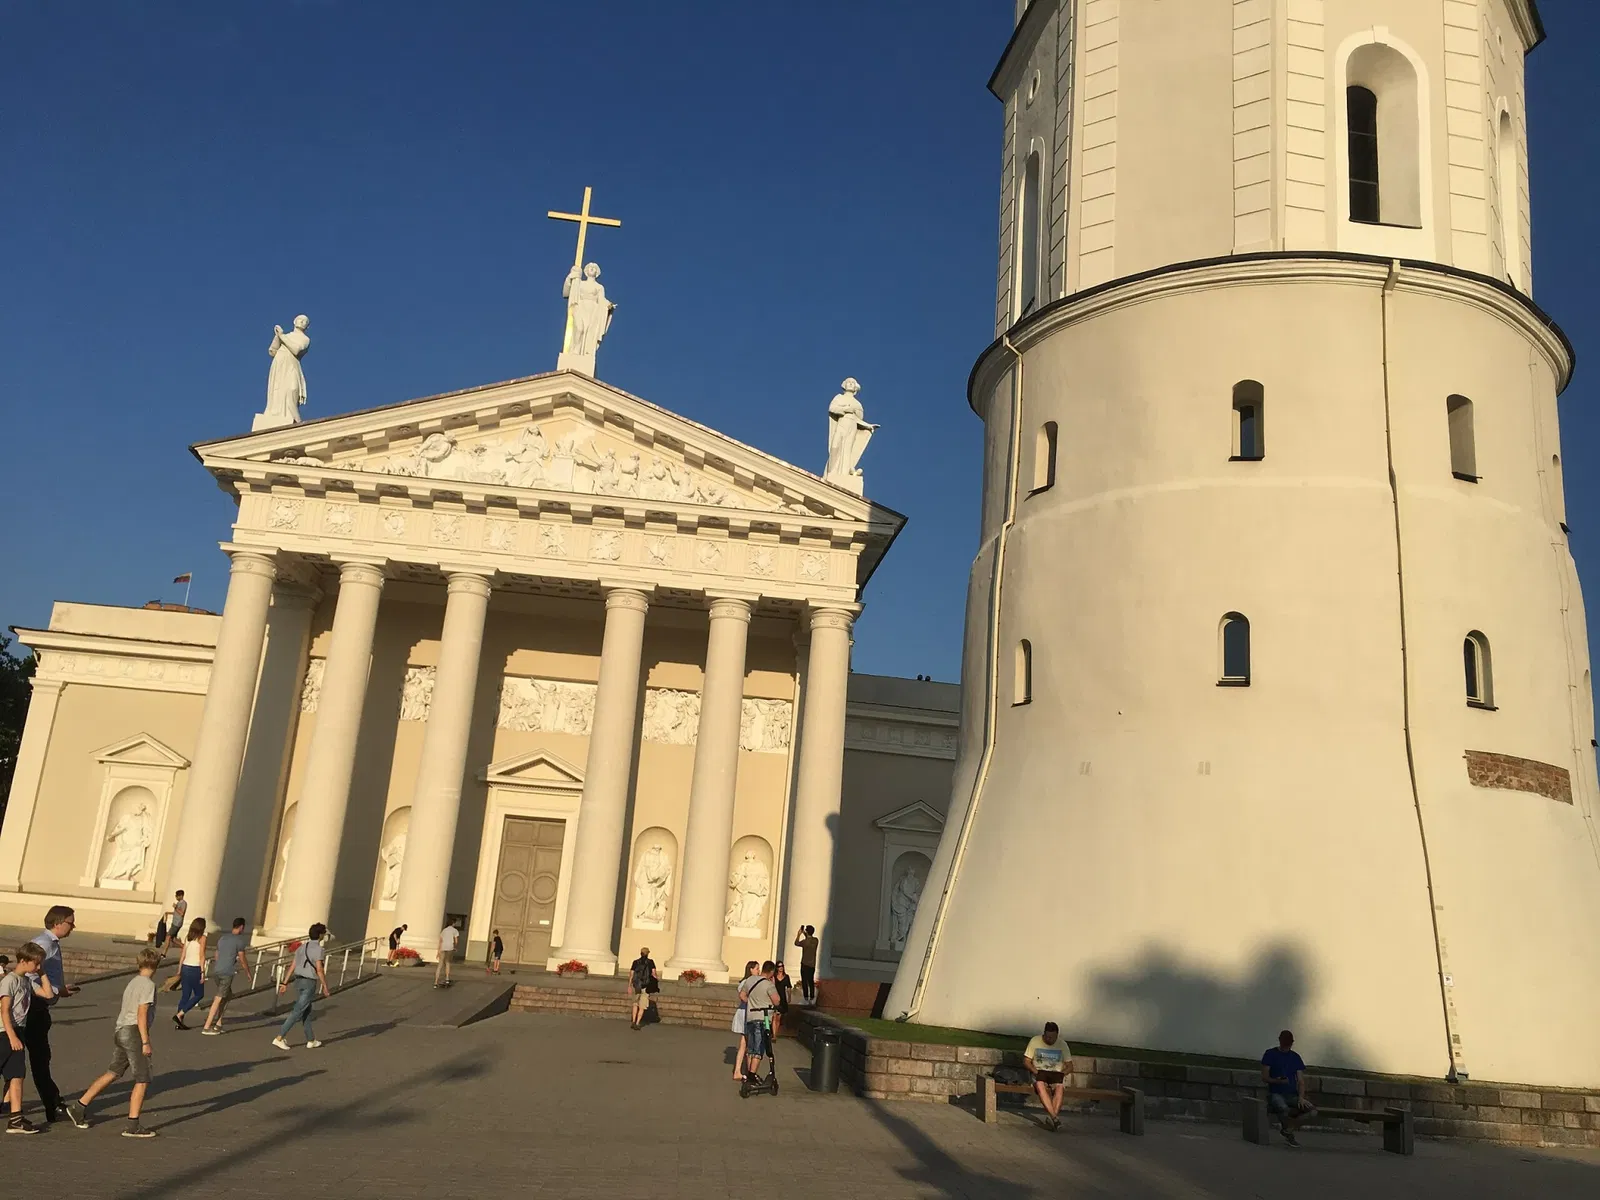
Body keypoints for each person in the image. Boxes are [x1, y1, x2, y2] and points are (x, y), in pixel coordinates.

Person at [63, 947, 161, 1138]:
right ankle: (133, 1124)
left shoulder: (133, 982)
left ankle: (79, 1106)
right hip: (133, 1032)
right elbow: (142, 1014)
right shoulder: (148, 985)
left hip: (120, 1029)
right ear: (156, 965)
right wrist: (145, 1041)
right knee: (143, 1078)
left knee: (113, 1072)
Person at [25, 905, 75, 1122]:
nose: (73, 927)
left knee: (35, 1058)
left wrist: (58, 989)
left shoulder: (50, 943)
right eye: (70, 923)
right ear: (57, 923)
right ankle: (52, 1104)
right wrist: (52, 991)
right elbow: (28, 974)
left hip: (39, 1006)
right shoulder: (43, 944)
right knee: (39, 1058)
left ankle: (51, 1103)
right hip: (33, 1007)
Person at [2, 943, 52, 1134]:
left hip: (18, 1031)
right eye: (36, 964)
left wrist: (42, 973)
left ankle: (15, 1118)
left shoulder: (27, 981)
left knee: (17, 1074)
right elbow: (4, 1011)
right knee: (14, 1074)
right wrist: (12, 1036)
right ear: (23, 961)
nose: (38, 967)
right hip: (5, 1032)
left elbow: (47, 994)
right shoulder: (10, 981)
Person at [272, 924, 329, 1051]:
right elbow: (319, 969)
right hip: (309, 982)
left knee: (306, 1011)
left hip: (298, 981)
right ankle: (279, 1037)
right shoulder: (319, 950)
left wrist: (284, 982)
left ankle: (311, 1039)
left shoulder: (301, 947)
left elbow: (292, 965)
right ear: (320, 935)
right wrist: (324, 985)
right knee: (298, 1011)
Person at [1261, 1029, 1317, 1146]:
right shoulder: (1270, 1054)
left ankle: (1289, 1129)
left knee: (1312, 1112)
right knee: (1283, 1108)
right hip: (1275, 1093)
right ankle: (1289, 1134)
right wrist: (1277, 1080)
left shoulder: (1295, 1057)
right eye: (1285, 1044)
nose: (1287, 1047)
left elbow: (1301, 1081)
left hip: (1292, 1094)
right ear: (1280, 1041)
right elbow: (1265, 1077)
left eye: (1289, 1044)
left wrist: (1301, 1097)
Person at [201, 918, 250, 1035]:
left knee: (227, 996)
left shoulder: (222, 938)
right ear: (241, 927)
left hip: (217, 970)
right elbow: (242, 959)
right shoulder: (239, 941)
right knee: (219, 997)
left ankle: (218, 1023)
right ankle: (207, 1026)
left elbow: (217, 954)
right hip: (227, 972)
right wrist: (248, 972)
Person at [1024, 1021, 1074, 1132]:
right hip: (1039, 1072)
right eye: (1047, 1037)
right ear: (1044, 1034)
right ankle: (1055, 1118)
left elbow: (1070, 1066)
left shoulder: (1062, 1044)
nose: (1050, 1040)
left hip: (1056, 1073)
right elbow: (1026, 1061)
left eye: (1053, 1037)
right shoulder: (1035, 1041)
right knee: (1040, 1085)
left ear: (1057, 1035)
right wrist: (1035, 1071)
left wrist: (1062, 1073)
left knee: (1059, 1087)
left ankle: (1053, 1118)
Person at [741, 962, 781, 1085]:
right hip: (762, 1019)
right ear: (771, 972)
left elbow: (742, 995)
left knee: (751, 1048)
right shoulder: (769, 985)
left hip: (750, 1018)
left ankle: (749, 1072)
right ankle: (752, 1075)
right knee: (758, 1050)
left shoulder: (750, 980)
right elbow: (777, 1001)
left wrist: (752, 1003)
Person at [172, 918, 207, 1030]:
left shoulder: (188, 937)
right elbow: (202, 956)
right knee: (199, 994)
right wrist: (203, 972)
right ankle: (180, 1014)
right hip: (195, 968)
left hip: (186, 967)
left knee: (185, 995)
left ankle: (180, 1023)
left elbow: (183, 954)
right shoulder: (202, 938)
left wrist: (179, 968)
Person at [730, 960, 759, 1081]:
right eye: (757, 968)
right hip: (746, 1014)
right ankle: (744, 1071)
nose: (759, 971)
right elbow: (743, 996)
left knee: (745, 1044)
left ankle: (742, 1070)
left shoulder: (747, 982)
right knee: (747, 1044)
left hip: (746, 1013)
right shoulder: (747, 982)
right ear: (751, 969)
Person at [627, 947, 658, 1031]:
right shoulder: (650, 962)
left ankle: (633, 1021)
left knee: (635, 1004)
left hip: (637, 986)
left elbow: (631, 975)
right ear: (648, 953)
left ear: (640, 953)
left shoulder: (635, 962)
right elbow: (654, 974)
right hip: (646, 986)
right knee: (642, 1006)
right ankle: (637, 1022)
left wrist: (629, 986)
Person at [793, 925, 819, 1004]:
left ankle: (806, 998)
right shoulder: (815, 940)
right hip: (812, 964)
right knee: (810, 980)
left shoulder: (804, 942)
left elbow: (796, 943)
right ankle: (812, 997)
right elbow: (809, 938)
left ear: (807, 932)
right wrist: (805, 932)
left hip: (804, 963)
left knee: (804, 981)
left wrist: (799, 934)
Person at [434, 920, 460, 988]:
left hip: (443, 947)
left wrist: (438, 951)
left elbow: (440, 941)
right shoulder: (455, 930)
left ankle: (436, 981)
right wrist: (455, 947)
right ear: (453, 923)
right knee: (447, 962)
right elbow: (456, 941)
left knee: (440, 965)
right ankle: (447, 978)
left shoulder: (444, 930)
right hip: (449, 947)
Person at [771, 961, 792, 1038]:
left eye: (782, 966)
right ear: (776, 968)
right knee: (774, 1017)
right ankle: (773, 1034)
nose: (781, 968)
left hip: (782, 998)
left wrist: (789, 997)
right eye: (779, 966)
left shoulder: (786, 977)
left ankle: (775, 1034)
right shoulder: (774, 976)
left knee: (778, 1018)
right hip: (775, 997)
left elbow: (789, 987)